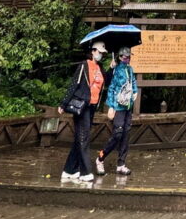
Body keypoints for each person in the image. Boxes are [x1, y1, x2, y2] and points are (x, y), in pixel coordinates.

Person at [58, 40, 107, 183]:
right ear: (92, 51)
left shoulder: (100, 68)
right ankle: (85, 172)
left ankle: (69, 170)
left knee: (79, 139)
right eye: (99, 52)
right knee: (83, 138)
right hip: (81, 107)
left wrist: (111, 68)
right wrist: (63, 103)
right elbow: (74, 85)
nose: (101, 55)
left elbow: (105, 82)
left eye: (103, 53)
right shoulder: (84, 66)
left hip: (92, 107)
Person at [96, 45, 137, 176]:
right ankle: (101, 157)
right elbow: (111, 88)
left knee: (126, 134)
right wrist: (112, 106)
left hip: (128, 106)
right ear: (120, 57)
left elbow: (133, 82)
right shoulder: (116, 70)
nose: (127, 59)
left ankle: (121, 163)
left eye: (129, 57)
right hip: (118, 106)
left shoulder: (130, 69)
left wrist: (135, 92)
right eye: (125, 57)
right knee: (117, 133)